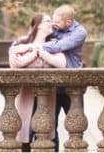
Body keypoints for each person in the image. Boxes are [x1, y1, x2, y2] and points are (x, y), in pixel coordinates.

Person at [8, 13, 66, 152]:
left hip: (47, 96)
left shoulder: (54, 44)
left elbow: (62, 63)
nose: (52, 23)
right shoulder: (22, 42)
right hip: (26, 95)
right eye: (48, 21)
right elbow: (15, 63)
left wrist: (43, 53)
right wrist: (34, 53)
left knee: (44, 136)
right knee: (25, 135)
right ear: (38, 25)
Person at [42, 4, 87, 151]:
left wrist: (41, 46)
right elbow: (39, 35)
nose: (54, 25)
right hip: (53, 85)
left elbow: (57, 47)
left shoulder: (79, 32)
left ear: (68, 22)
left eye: (57, 22)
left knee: (76, 125)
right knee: (49, 128)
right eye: (53, 22)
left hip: (72, 86)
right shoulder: (55, 27)